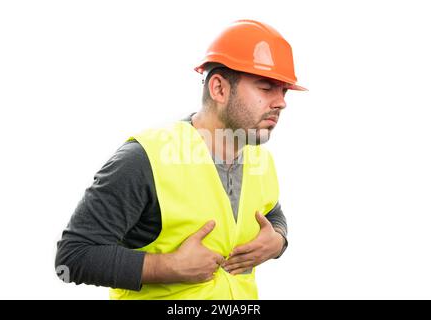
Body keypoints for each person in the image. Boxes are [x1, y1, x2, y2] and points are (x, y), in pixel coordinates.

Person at [55, 19, 307, 300]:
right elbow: (72, 256)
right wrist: (165, 267)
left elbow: (271, 212)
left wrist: (278, 240)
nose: (281, 102)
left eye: (283, 90)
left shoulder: (260, 160)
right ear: (219, 89)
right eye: (266, 87)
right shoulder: (145, 159)